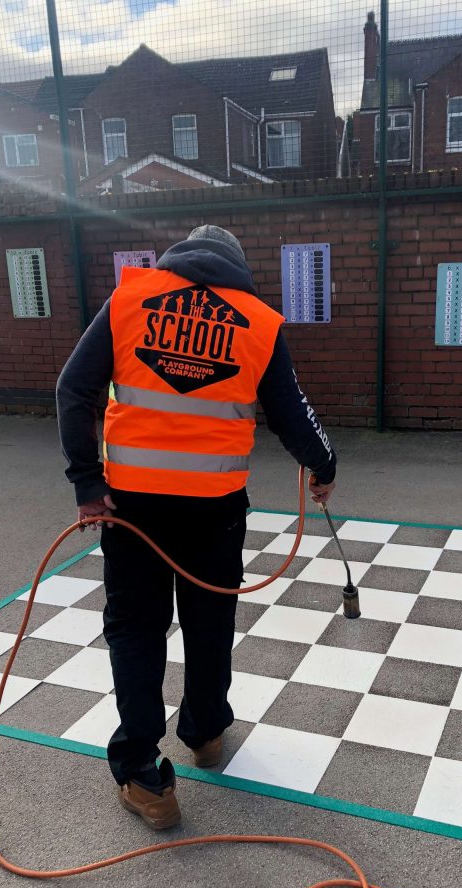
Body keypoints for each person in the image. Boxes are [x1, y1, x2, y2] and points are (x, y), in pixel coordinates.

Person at [56, 225, 336, 830]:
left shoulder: (130, 300)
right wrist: (323, 466)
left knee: (136, 630)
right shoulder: (257, 322)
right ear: (235, 268)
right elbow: (293, 411)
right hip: (214, 510)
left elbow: (73, 389)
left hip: (132, 510)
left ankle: (143, 775)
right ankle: (205, 732)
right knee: (209, 623)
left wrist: (86, 484)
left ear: (176, 260)